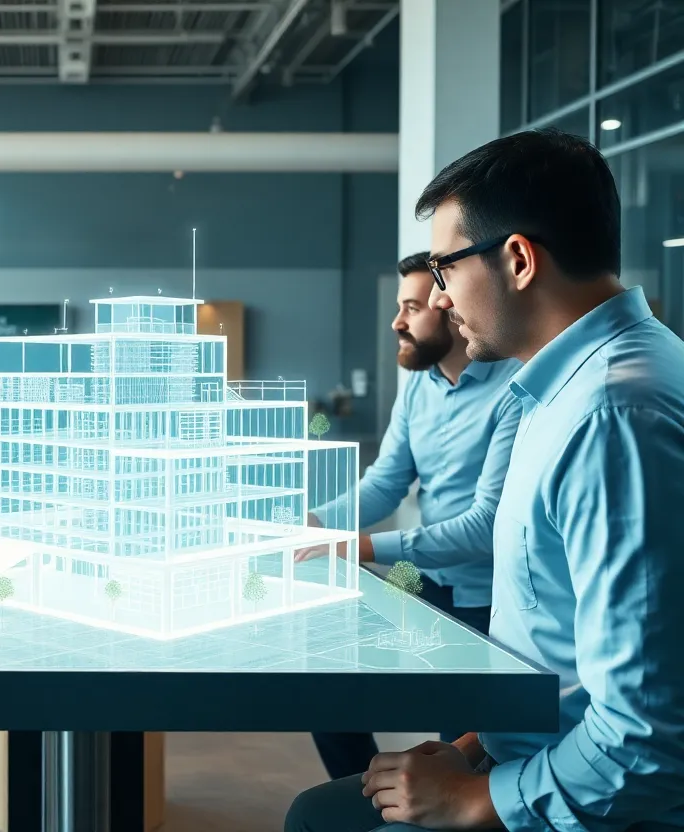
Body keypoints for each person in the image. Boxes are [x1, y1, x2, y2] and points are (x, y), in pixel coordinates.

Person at [287, 128, 684, 831]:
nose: (438, 300)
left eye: (444, 270)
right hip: (528, 751)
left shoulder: (612, 415)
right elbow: (565, 651)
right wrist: (472, 749)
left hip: (583, 800)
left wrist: (476, 799)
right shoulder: (566, 389)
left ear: (519, 260)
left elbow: (648, 733)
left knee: (319, 820)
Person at [298, 253, 521, 780]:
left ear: (449, 310)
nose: (397, 321)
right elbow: (385, 483)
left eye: (411, 307)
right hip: (417, 579)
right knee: (324, 686)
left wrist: (360, 547)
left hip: (485, 600)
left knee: (463, 744)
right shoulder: (419, 385)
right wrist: (314, 522)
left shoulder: (514, 389)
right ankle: (359, 804)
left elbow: (485, 528)